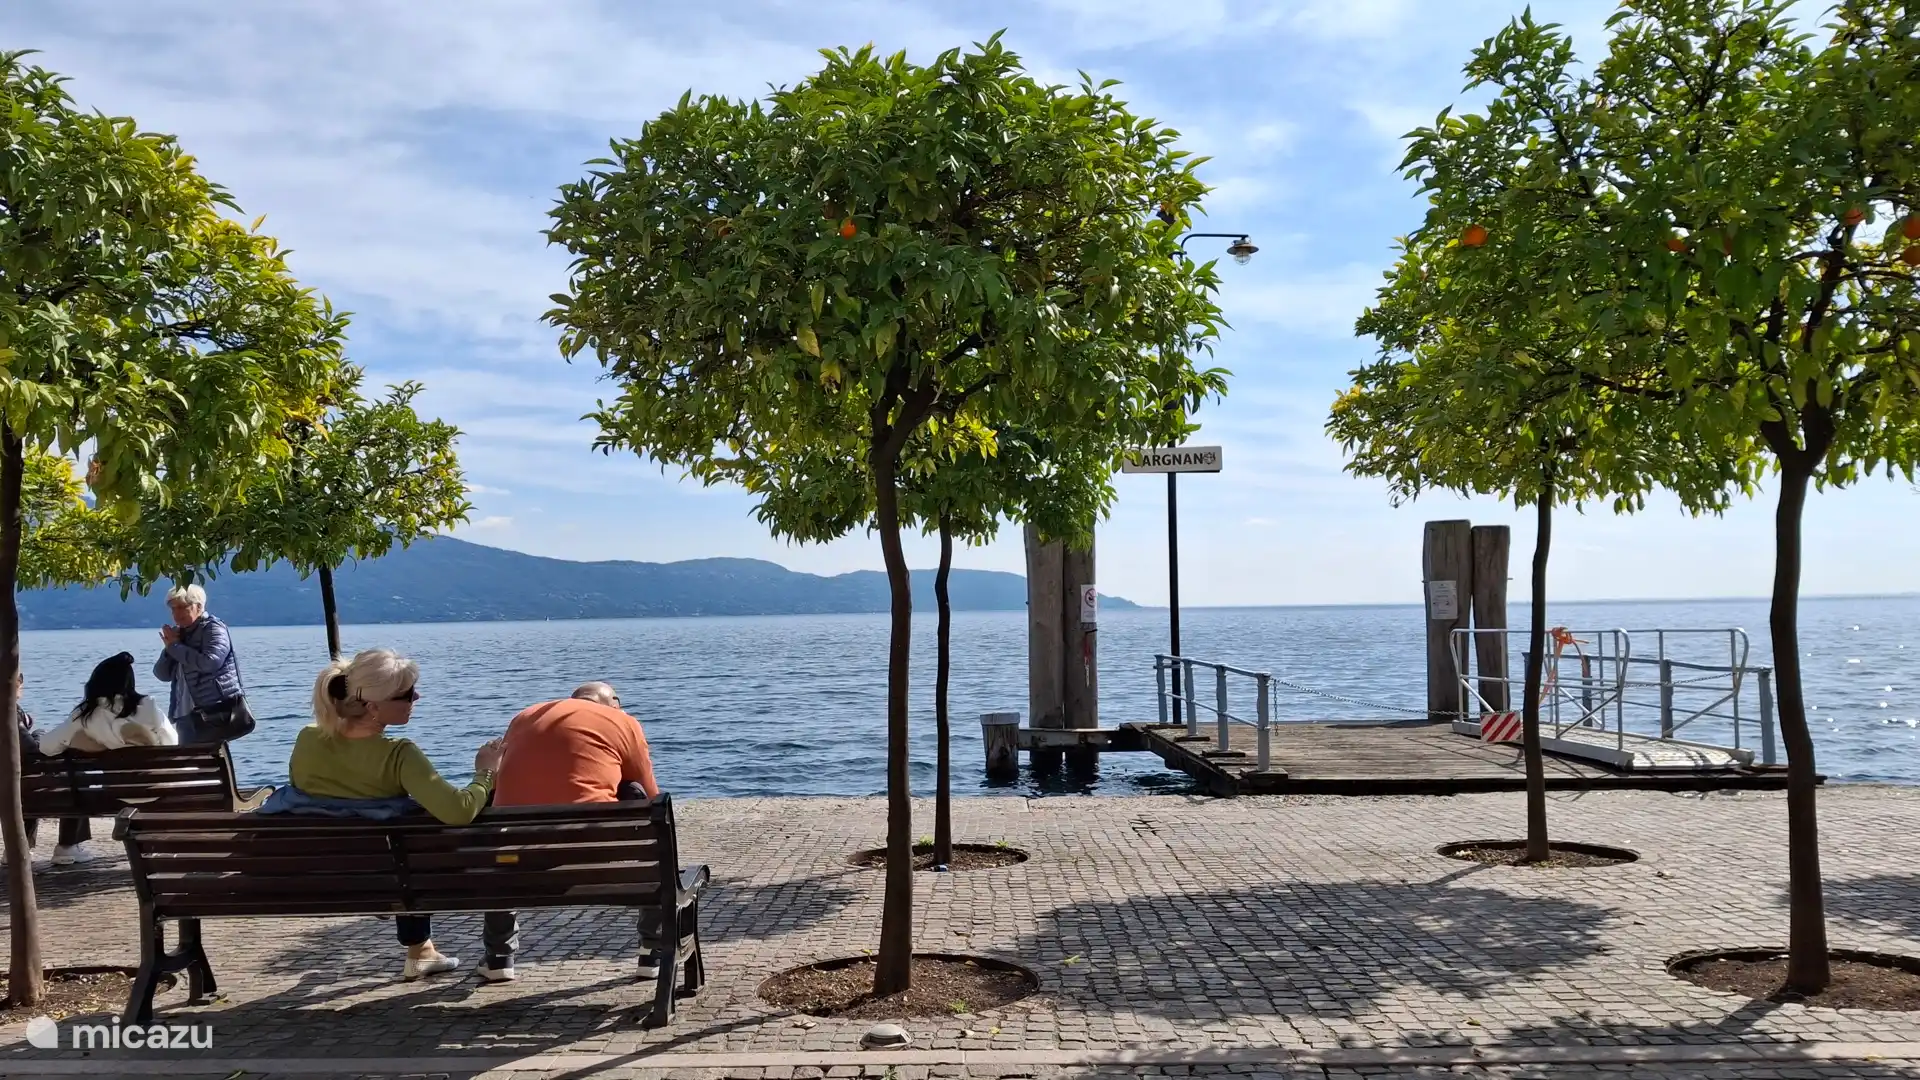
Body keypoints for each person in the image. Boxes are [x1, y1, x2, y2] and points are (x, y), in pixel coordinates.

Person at [258, 648, 504, 980]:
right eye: (407, 694)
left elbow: (312, 798)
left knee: (402, 842)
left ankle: (422, 950)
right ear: (372, 706)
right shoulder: (400, 755)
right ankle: (448, 950)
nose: (417, 697)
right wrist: (486, 773)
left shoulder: (307, 739)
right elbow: (458, 812)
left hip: (320, 874)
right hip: (392, 879)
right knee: (419, 840)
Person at [482, 692, 661, 983]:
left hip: (520, 860)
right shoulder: (621, 721)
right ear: (611, 703)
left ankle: (499, 957)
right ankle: (653, 950)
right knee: (635, 794)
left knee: (505, 852)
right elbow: (652, 797)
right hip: (595, 855)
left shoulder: (524, 717)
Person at [11, 669, 96, 866]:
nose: (22, 682)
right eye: (20, 677)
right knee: (77, 779)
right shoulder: (8, 714)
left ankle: (18, 846)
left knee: (28, 783)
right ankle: (68, 845)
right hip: (20, 787)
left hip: (11, 786)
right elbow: (33, 752)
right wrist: (40, 734)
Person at [153, 584, 249, 746]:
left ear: (198, 607)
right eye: (173, 609)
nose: (176, 613)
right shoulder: (179, 634)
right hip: (184, 715)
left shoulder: (213, 629)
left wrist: (175, 646)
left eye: (182, 607)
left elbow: (210, 662)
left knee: (210, 757)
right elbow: (162, 674)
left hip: (213, 713)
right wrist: (170, 649)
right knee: (190, 760)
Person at [38, 652, 179, 755]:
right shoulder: (148, 706)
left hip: (114, 786)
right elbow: (172, 742)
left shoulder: (86, 714)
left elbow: (46, 747)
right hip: (156, 784)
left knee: (79, 739)